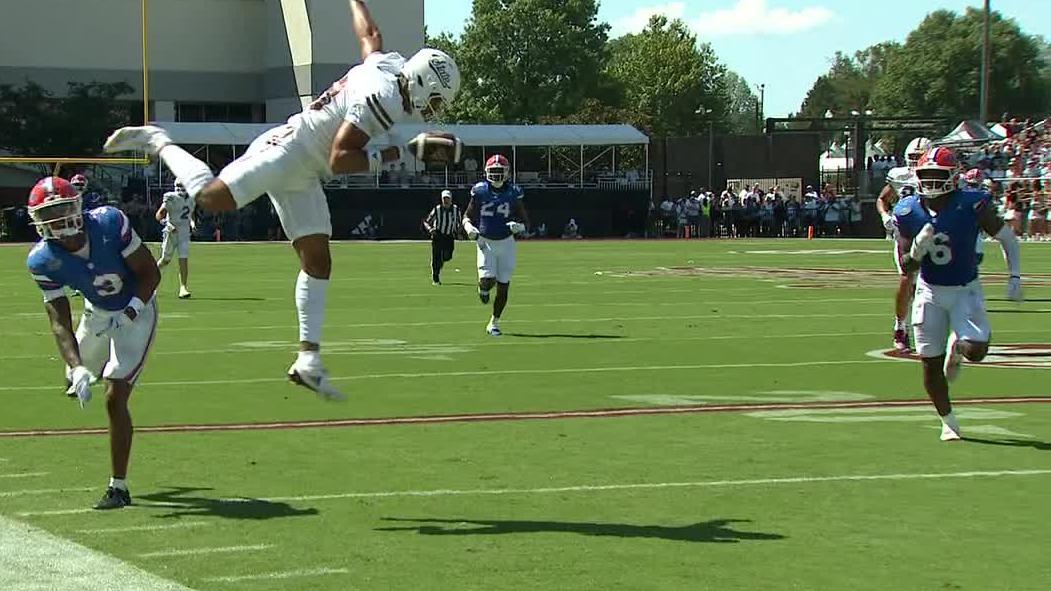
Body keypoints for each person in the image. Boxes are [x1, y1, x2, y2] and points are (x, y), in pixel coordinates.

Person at [103, 0, 460, 400]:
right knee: (211, 197)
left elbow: (369, 36)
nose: (435, 109)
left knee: (318, 260)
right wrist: (402, 153)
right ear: (422, 82)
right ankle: (159, 140)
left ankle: (308, 359)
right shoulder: (385, 98)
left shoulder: (389, 67)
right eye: (436, 98)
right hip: (289, 150)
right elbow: (340, 159)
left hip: (305, 171)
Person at [25, 177, 161, 509]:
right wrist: (76, 367)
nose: (58, 220)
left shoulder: (109, 223)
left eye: (61, 210)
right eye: (49, 214)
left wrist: (131, 310)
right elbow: (59, 320)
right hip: (97, 313)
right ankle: (88, 370)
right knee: (75, 379)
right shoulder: (42, 259)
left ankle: (119, 487)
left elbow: (150, 274)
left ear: (76, 205)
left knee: (115, 397)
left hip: (136, 311)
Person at [893, 147, 1023, 441]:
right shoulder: (908, 210)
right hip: (929, 291)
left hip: (966, 289)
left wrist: (1014, 276)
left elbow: (1007, 238)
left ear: (953, 177)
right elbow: (906, 266)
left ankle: (959, 347)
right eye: (926, 175)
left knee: (976, 350)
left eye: (937, 176)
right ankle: (948, 421)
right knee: (929, 366)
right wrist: (917, 248)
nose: (931, 182)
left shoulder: (972, 204)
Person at [462, 155, 530, 336]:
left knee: (504, 285)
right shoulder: (479, 191)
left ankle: (494, 322)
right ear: (486, 173)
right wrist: (469, 227)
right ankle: (482, 288)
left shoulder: (514, 192)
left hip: (507, 243)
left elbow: (525, 220)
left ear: (507, 173)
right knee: (487, 281)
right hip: (486, 242)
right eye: (494, 172)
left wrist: (519, 226)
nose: (497, 175)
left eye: (500, 172)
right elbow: (467, 216)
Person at [876, 136, 930, 351]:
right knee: (907, 278)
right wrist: (884, 216)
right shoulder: (900, 176)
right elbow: (883, 198)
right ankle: (900, 326)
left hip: (933, 233)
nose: (915, 162)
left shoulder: (938, 174)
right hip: (906, 233)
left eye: (920, 157)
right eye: (913, 158)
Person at [155, 179, 196, 298]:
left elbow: (190, 214)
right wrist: (166, 224)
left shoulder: (192, 198)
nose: (180, 188)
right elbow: (159, 214)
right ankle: (150, 279)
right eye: (178, 185)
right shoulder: (170, 197)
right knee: (165, 260)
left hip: (184, 232)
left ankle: (183, 288)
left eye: (182, 185)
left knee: (183, 259)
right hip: (171, 232)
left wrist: (193, 223)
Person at [424, 189, 460, 285]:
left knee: (448, 256)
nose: (446, 200)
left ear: (451, 199)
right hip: (438, 235)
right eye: (444, 198)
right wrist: (430, 229)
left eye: (447, 198)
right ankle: (435, 278)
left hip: (449, 236)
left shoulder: (456, 209)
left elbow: (458, 222)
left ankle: (440, 263)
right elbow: (426, 221)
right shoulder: (437, 209)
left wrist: (458, 231)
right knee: (436, 257)